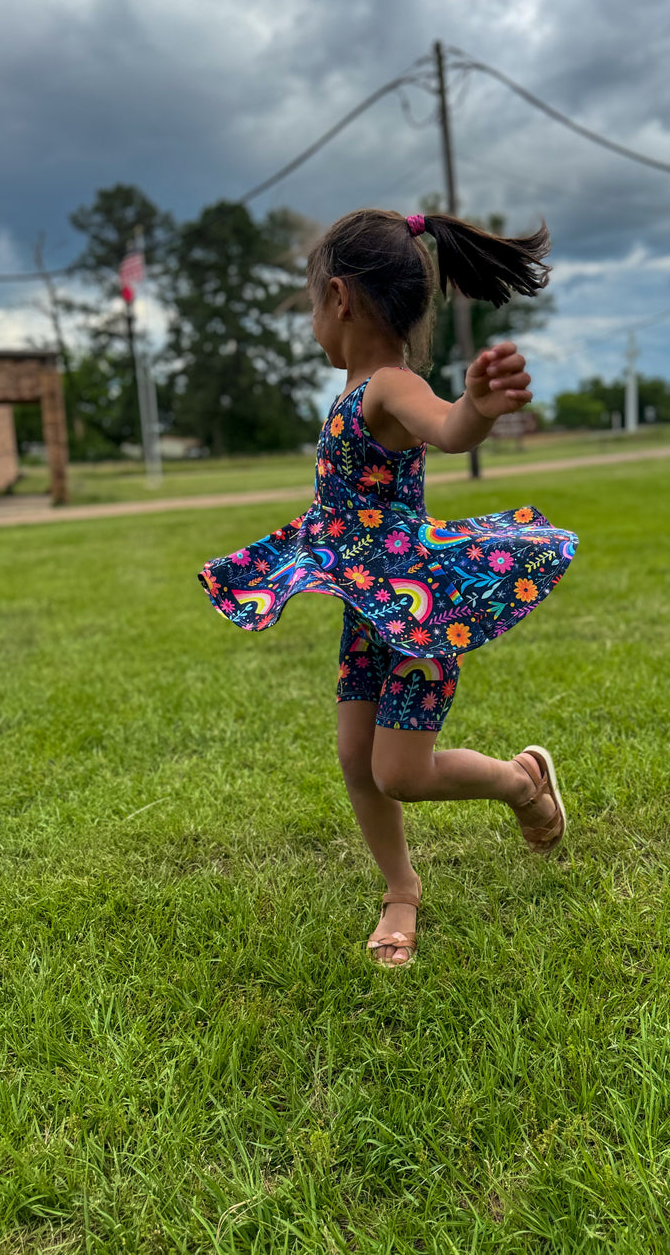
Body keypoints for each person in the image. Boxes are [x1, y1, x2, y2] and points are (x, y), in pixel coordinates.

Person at [198, 208, 578, 967]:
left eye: (310, 304)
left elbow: (445, 425)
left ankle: (523, 782)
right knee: (353, 757)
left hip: (419, 616)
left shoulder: (390, 386)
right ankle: (399, 889)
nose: (313, 319)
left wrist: (476, 408)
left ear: (339, 297)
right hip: (370, 611)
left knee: (399, 772)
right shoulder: (351, 391)